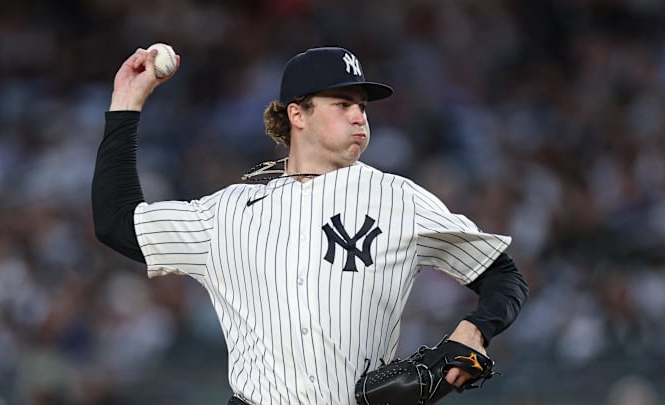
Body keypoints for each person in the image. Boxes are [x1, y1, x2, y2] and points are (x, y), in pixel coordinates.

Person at [92, 45, 528, 405]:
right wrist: (126, 104)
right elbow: (118, 223)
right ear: (297, 114)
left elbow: (504, 277)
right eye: (343, 104)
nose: (360, 116)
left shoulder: (399, 198)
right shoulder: (227, 212)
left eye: (362, 106)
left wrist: (475, 330)